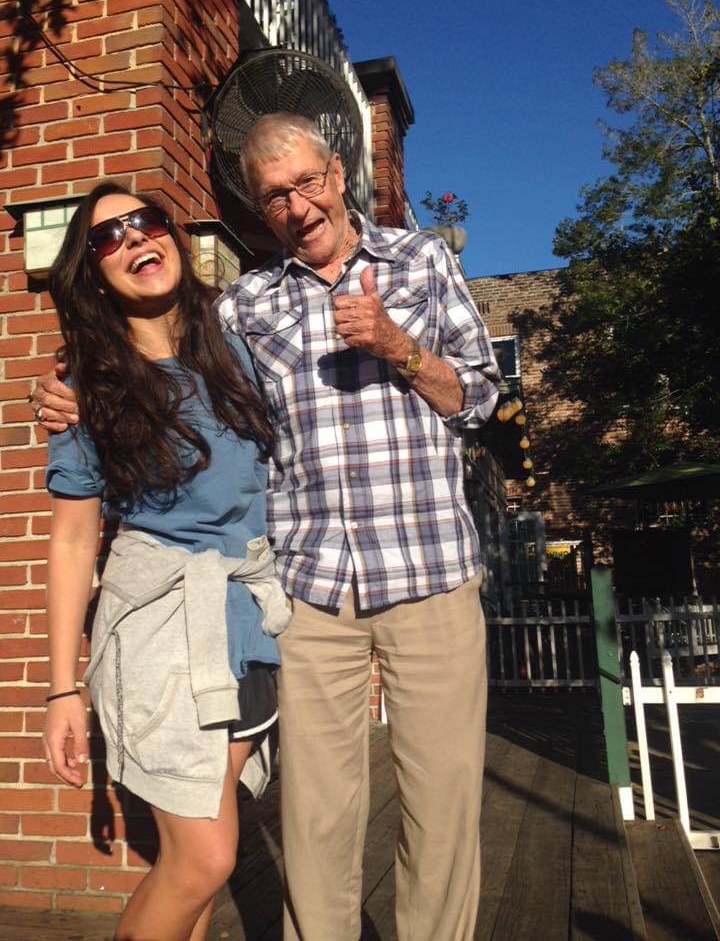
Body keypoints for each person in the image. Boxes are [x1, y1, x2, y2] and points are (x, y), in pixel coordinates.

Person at [35, 114, 500, 941]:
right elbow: (146, 371)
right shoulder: (248, 306)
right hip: (308, 591)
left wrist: (401, 349)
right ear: (259, 210)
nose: (299, 205)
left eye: (308, 181)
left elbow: (482, 399)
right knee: (315, 821)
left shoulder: (422, 260)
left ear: (339, 172)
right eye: (275, 196)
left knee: (442, 810)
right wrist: (69, 386)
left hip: (428, 570)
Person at [40, 181, 288, 941]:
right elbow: (72, 541)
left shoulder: (235, 352)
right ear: (93, 274)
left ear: (172, 237)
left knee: (196, 861)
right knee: (206, 860)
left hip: (245, 622)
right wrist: (62, 690)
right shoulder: (86, 388)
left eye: (144, 222)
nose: (134, 240)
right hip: (160, 628)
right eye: (107, 237)